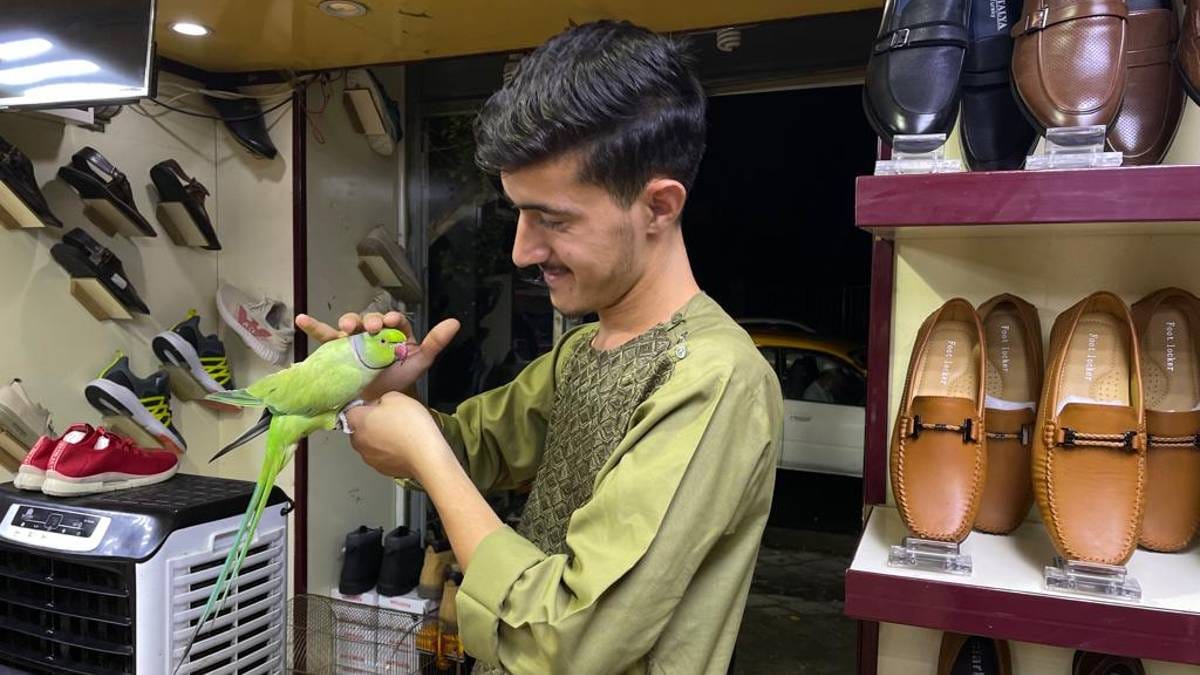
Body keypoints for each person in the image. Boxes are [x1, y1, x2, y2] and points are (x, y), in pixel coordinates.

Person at [296, 20, 782, 675]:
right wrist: (378, 394)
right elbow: (474, 447)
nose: (523, 250)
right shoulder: (584, 350)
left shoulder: (714, 380)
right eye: (519, 214)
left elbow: (567, 642)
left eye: (553, 219)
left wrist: (429, 459)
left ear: (658, 207)